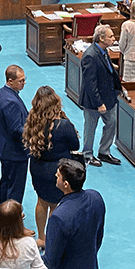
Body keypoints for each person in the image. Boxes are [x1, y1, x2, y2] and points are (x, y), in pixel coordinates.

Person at [22, 86, 80, 242]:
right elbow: (75, 145)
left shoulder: (32, 121)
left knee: (41, 201)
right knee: (55, 205)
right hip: (58, 170)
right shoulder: (63, 125)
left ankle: (41, 237)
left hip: (37, 167)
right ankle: (53, 239)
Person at [43, 158, 105, 269]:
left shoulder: (58, 217)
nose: (55, 176)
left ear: (66, 184)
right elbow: (98, 236)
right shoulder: (96, 197)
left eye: (58, 175)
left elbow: (52, 260)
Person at [79, 24, 123, 167]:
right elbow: (90, 84)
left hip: (108, 97)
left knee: (112, 123)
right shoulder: (90, 56)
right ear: (101, 38)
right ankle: (87, 154)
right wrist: (99, 103)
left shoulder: (103, 51)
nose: (113, 39)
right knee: (90, 128)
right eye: (110, 36)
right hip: (94, 101)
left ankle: (104, 151)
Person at [0, 64, 30, 203]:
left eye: (24, 80)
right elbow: (16, 129)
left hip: (4, 148)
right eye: (21, 81)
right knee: (15, 187)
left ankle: (4, 210)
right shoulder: (11, 101)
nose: (24, 83)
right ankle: (12, 217)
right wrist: (34, 133)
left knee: (6, 181)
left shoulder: (2, 92)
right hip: (15, 153)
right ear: (10, 81)